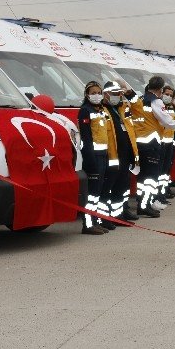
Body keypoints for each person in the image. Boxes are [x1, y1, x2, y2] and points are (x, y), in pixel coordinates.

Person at [127, 76, 175, 217]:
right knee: (150, 178)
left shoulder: (140, 100)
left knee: (141, 178)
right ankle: (145, 205)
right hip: (151, 144)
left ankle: (141, 202)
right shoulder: (155, 101)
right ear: (160, 89)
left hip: (139, 144)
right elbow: (166, 121)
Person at [77, 81, 114, 235]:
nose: (97, 95)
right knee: (92, 193)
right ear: (87, 95)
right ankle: (87, 224)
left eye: (99, 92)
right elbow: (86, 137)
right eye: (93, 93)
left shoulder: (101, 110)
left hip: (103, 154)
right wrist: (90, 158)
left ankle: (96, 221)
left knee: (98, 192)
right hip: (93, 157)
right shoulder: (85, 111)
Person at [101, 81, 138, 225]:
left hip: (126, 154)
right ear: (106, 94)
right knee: (111, 188)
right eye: (114, 94)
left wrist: (129, 92)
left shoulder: (123, 107)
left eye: (119, 94)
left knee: (123, 186)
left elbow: (139, 108)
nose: (117, 96)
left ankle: (121, 212)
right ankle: (111, 216)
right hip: (112, 156)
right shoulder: (101, 110)